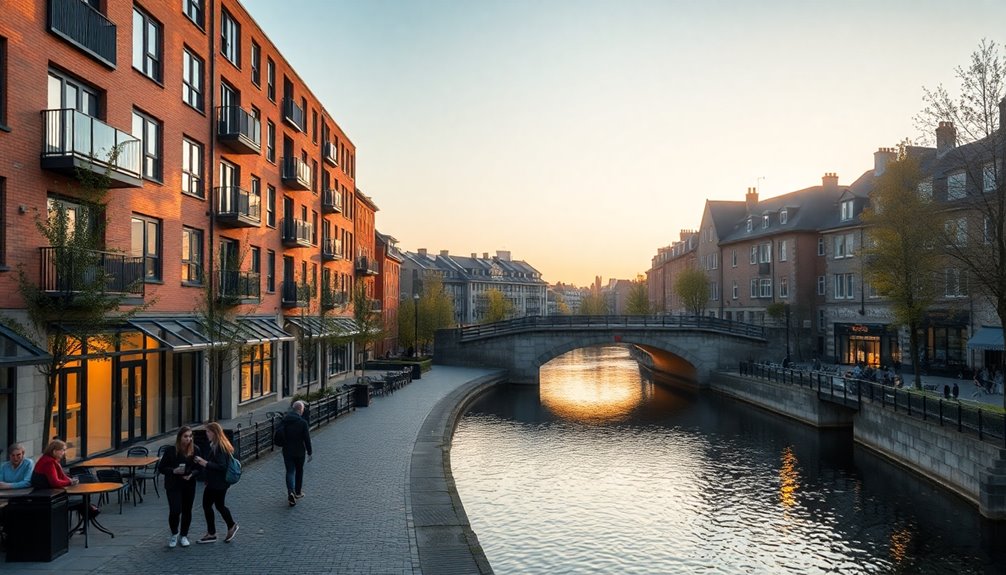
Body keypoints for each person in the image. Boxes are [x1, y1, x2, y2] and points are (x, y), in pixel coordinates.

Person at [194, 422, 239, 544]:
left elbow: (222, 466)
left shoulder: (219, 447)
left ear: (214, 432)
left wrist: (204, 463)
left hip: (217, 483)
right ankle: (230, 526)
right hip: (218, 482)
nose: (206, 434)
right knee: (219, 505)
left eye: (208, 432)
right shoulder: (219, 444)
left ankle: (212, 533)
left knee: (207, 505)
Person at [158, 426, 201, 548]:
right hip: (173, 484)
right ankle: (174, 533)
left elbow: (199, 468)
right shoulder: (171, 451)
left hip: (188, 484)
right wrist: (173, 471)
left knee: (187, 510)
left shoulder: (195, 450)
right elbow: (161, 468)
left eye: (190, 436)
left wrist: (192, 474)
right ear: (180, 437)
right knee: (175, 510)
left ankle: (184, 535)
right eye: (186, 436)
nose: (188, 439)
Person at [280, 400, 313, 506]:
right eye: (303, 410)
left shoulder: (285, 420)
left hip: (287, 451)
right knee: (299, 471)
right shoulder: (302, 423)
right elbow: (306, 439)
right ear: (300, 410)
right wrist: (310, 452)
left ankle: (290, 492)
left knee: (289, 471)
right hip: (299, 451)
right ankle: (297, 492)